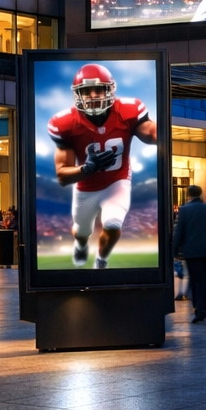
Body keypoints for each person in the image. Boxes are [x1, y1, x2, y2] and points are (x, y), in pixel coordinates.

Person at [48, 64, 157, 268]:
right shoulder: (65, 123)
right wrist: (87, 168)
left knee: (113, 225)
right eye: (86, 91)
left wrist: (169, 133)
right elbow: (62, 175)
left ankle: (101, 260)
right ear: (77, 95)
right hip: (85, 187)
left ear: (110, 90)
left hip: (117, 181)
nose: (93, 95)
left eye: (99, 89)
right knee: (81, 232)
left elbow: (152, 133)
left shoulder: (128, 110)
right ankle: (81, 245)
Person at [173, 186, 206, 322]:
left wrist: (175, 250)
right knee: (203, 279)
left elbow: (179, 232)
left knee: (195, 279)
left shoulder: (184, 210)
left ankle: (198, 307)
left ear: (188, 194)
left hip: (191, 251)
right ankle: (202, 308)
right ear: (200, 193)